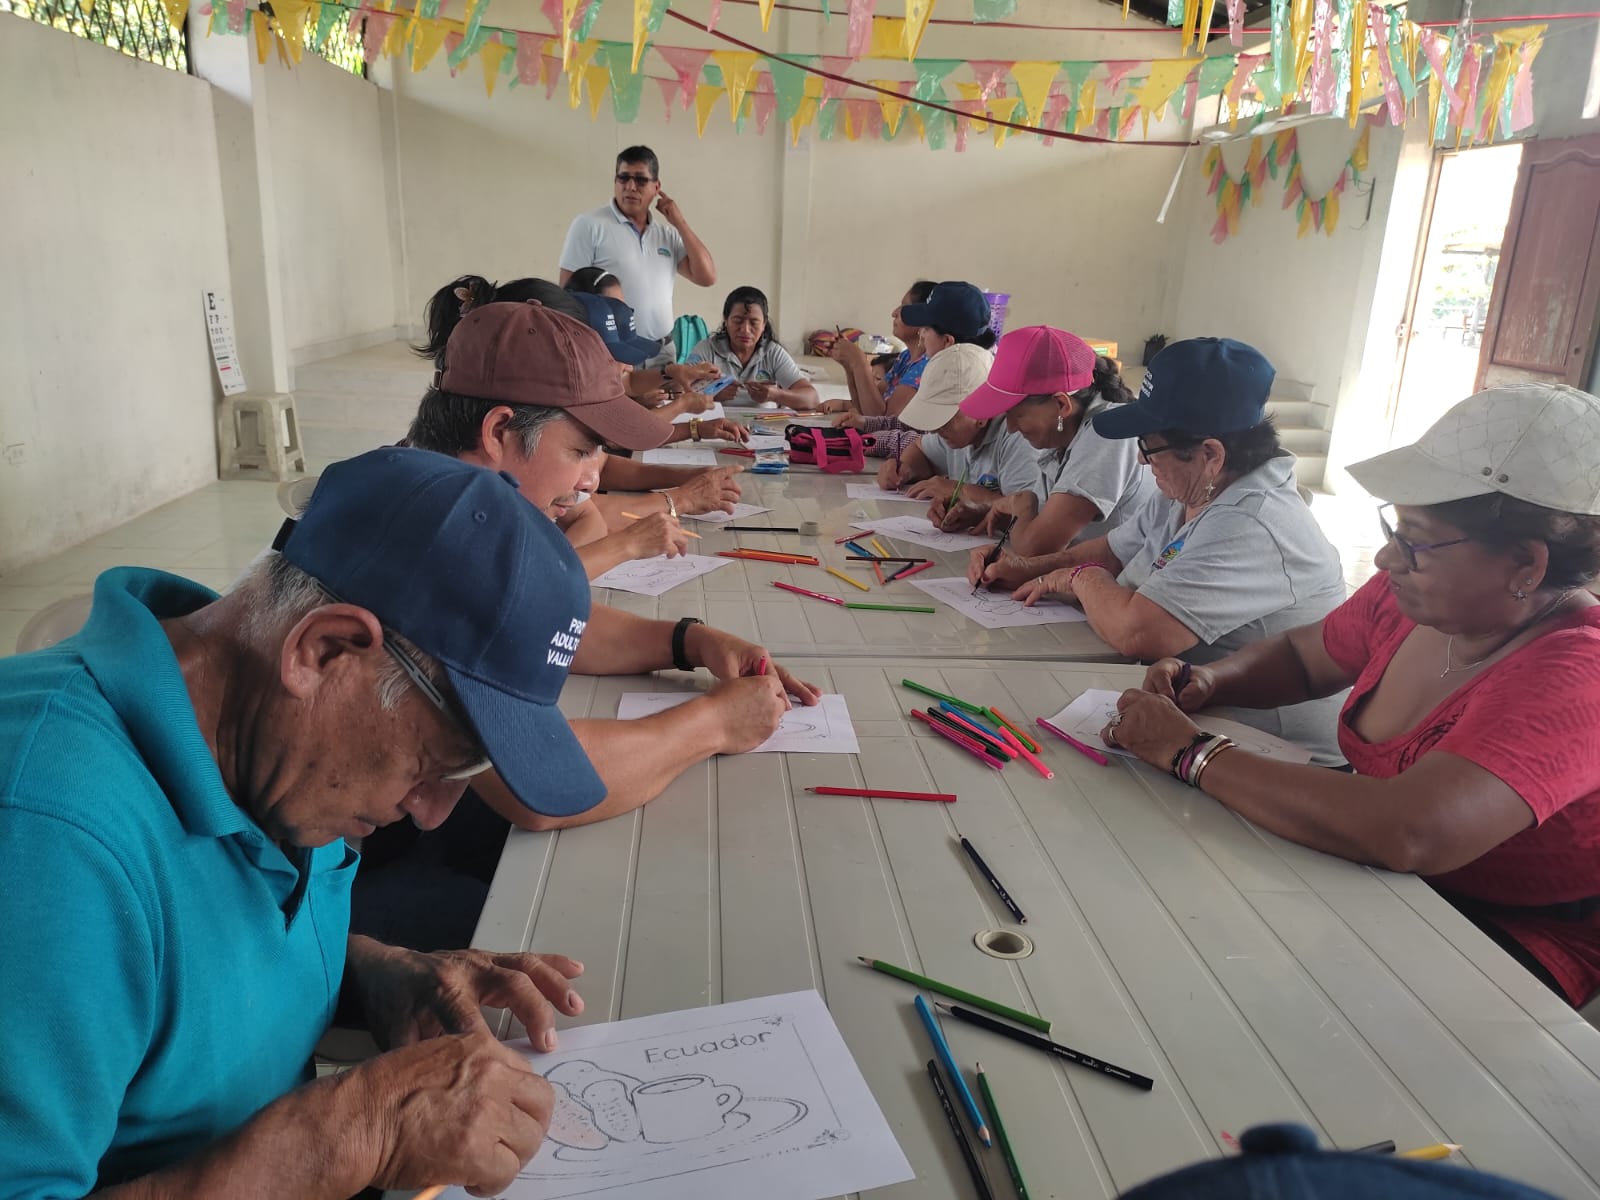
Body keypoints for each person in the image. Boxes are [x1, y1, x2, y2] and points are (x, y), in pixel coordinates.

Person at [0, 447, 606, 1198]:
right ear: (323, 650)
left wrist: (377, 975)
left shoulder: (271, 747)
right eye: (433, 766)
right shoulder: (44, 841)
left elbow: (186, 965)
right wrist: (352, 1134)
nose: (429, 813)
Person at [1103, 383, 1600, 1009]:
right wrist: (1214, 679)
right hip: (1369, 877)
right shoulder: (1414, 599)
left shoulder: (1578, 672)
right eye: (1395, 528)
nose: (1388, 557)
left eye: (1415, 540)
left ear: (1527, 563)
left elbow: (1410, 830)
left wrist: (1190, 753)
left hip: (1494, 933)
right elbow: (1303, 657)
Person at [402, 300, 818, 827]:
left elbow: (537, 624)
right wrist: (715, 723)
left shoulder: (450, 497)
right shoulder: (436, 545)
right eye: (580, 451)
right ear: (499, 432)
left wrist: (690, 642)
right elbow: (541, 782)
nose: (592, 481)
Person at [969, 337, 1347, 761]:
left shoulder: (1251, 520)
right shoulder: (1193, 489)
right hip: (1195, 721)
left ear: (1210, 454)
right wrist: (1028, 567)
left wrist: (1079, 579)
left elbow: (1139, 633)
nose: (1141, 461)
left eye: (1149, 447)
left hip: (1271, 755)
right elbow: (1111, 551)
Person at [416, 275, 746, 543]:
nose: (590, 481)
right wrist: (669, 507)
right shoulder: (443, 524)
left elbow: (590, 504)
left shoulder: (497, 475)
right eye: (592, 352)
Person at [940, 326, 1152, 547]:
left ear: (1061, 404)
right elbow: (1040, 526)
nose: (1011, 428)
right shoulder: (1060, 433)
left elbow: (1036, 548)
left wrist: (1023, 504)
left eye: (1017, 415)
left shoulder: (1107, 433)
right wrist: (991, 513)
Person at [558, 145, 716, 341]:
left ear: (656, 187)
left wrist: (679, 222)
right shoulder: (589, 225)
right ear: (615, 181)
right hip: (614, 349)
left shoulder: (666, 234)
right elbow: (567, 294)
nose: (631, 187)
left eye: (641, 180)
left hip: (663, 348)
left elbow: (706, 277)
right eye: (623, 178)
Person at [867, 343, 1036, 508]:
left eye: (944, 420)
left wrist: (960, 490)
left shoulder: (1019, 438)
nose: (934, 429)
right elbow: (920, 449)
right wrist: (904, 469)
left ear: (981, 413)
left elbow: (1028, 513)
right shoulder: (960, 434)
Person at [687, 286, 820, 411]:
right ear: (726, 321)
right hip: (715, 424)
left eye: (754, 323)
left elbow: (812, 400)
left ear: (763, 324)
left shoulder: (772, 352)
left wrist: (775, 395)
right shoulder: (707, 349)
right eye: (738, 321)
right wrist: (712, 394)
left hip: (763, 425)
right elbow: (679, 393)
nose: (745, 330)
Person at [821, 279, 936, 419]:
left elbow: (882, 419)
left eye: (904, 307)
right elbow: (865, 408)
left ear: (922, 317)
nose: (894, 313)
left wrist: (859, 362)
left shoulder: (927, 364)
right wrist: (849, 365)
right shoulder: (905, 357)